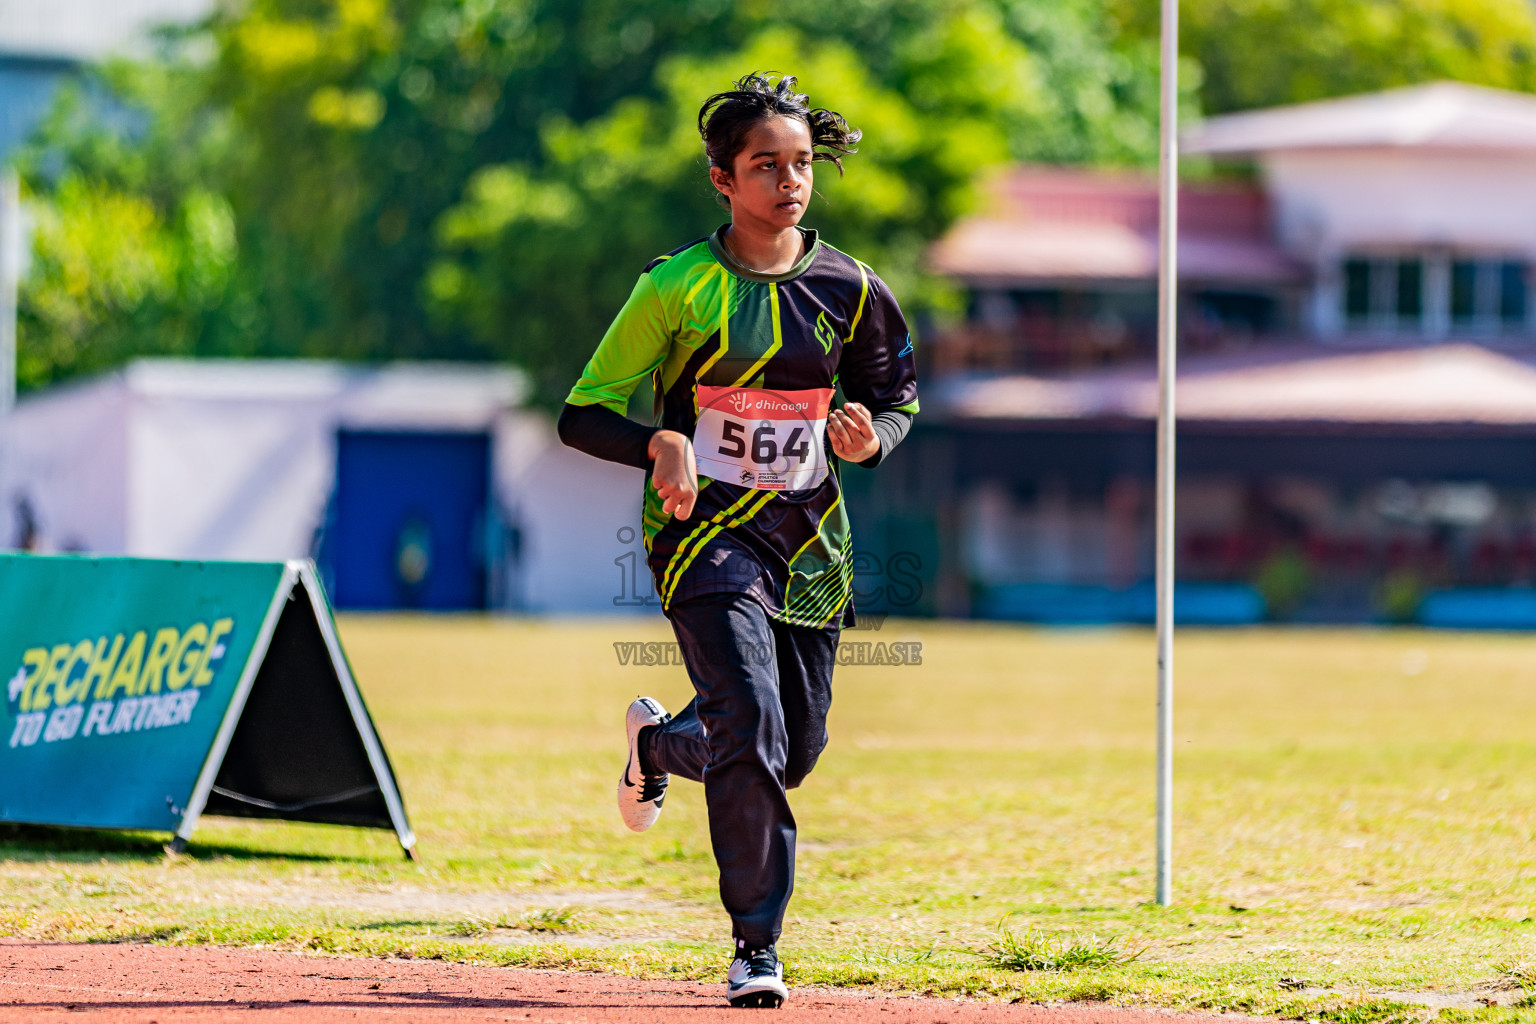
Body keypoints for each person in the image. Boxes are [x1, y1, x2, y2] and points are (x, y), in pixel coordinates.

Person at [558, 71, 919, 1009]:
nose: (789, 181)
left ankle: (657, 749)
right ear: (723, 178)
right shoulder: (674, 287)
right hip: (703, 542)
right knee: (753, 726)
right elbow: (582, 414)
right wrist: (658, 443)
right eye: (766, 165)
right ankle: (756, 947)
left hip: (809, 545)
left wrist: (872, 435)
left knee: (789, 750)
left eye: (802, 164)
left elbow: (898, 397)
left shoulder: (852, 288)